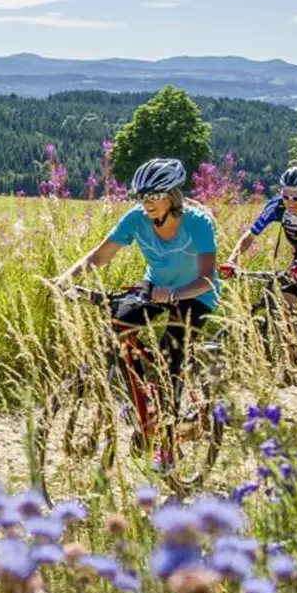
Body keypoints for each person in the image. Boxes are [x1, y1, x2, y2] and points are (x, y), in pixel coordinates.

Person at [51, 156, 220, 469]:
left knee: (172, 358)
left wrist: (175, 293)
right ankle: (145, 408)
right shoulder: (135, 220)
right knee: (117, 326)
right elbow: (100, 256)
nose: (148, 204)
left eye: (155, 196)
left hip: (196, 296)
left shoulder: (197, 223)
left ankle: (167, 443)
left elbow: (208, 277)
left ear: (173, 196)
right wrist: (64, 280)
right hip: (154, 288)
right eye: (143, 197)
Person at [224, 165, 297, 331]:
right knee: (284, 302)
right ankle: (290, 339)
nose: (290, 202)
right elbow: (250, 236)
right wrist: (232, 260)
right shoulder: (276, 206)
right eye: (286, 196)